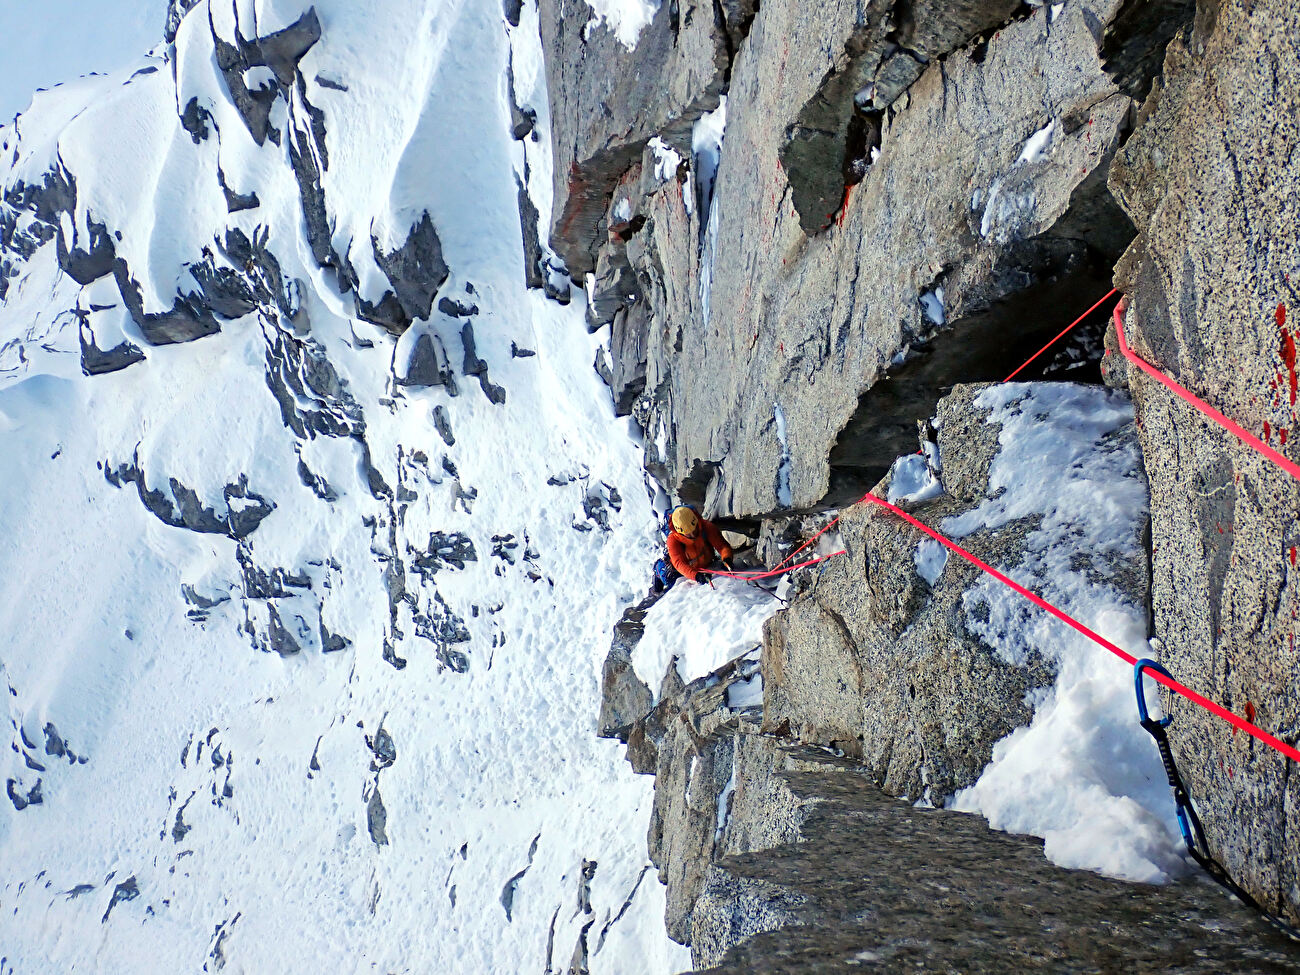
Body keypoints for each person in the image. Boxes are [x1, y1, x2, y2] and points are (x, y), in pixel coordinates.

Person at [665, 505, 732, 584]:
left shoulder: (706, 526)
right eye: (688, 534)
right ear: (680, 532)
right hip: (687, 571)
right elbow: (680, 564)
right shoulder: (673, 540)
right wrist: (696, 576)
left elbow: (722, 546)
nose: (693, 535)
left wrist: (727, 558)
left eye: (694, 530)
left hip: (708, 563)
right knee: (667, 578)